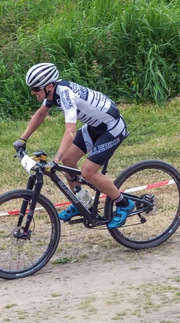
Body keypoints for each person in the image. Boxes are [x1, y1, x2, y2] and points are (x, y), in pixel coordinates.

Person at [13, 62, 134, 229]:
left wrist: (55, 159)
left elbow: (70, 131)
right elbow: (41, 115)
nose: (32, 92)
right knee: (68, 160)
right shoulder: (52, 93)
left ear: (48, 86)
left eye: (35, 88)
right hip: (96, 126)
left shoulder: (65, 95)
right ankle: (83, 202)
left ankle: (124, 204)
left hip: (112, 127)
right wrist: (22, 139)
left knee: (88, 171)